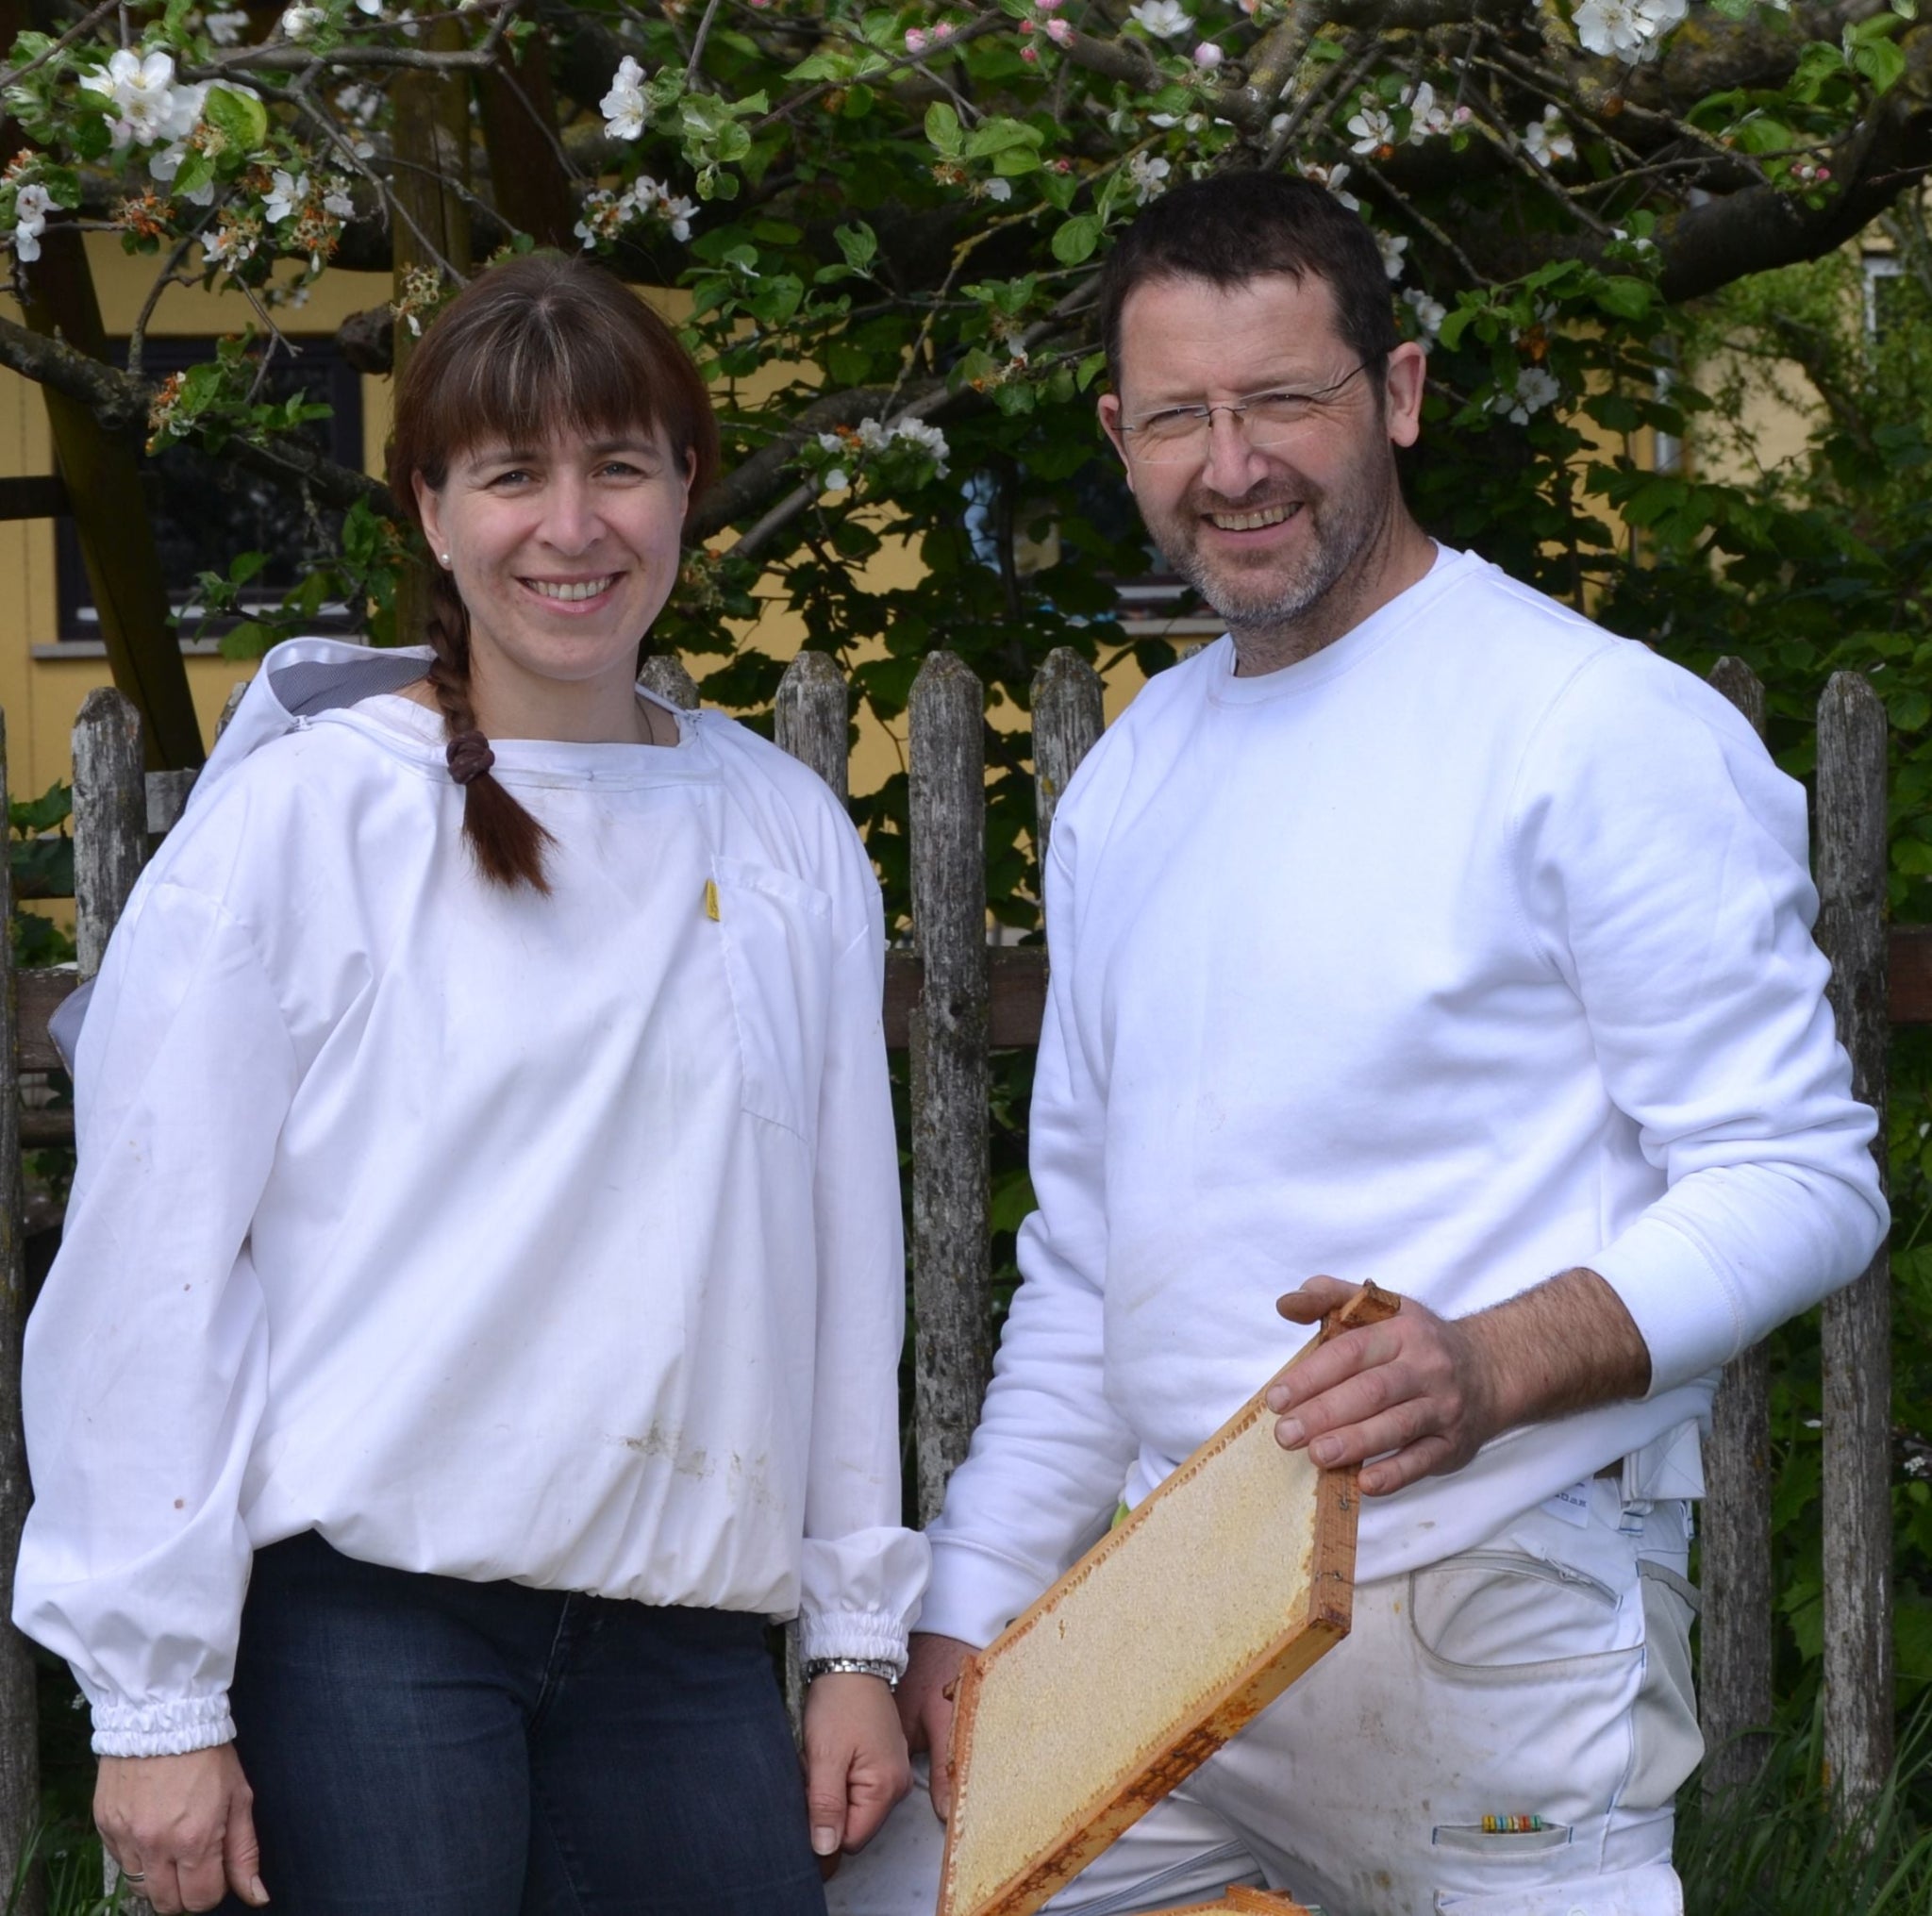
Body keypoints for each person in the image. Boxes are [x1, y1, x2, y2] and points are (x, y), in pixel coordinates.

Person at [827, 173, 1888, 1915]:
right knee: (888, 1901)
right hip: (1170, 1596)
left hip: (1495, 1604)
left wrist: (1488, 1364)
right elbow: (1086, 1266)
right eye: (1180, 416)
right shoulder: (1132, 781)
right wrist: (965, 1606)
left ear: (1395, 393)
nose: (1232, 464)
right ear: (1119, 433)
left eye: (1283, 401)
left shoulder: (1591, 729)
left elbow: (1801, 1177)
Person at [14, 253, 926, 1916]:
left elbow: (841, 1256)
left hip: (689, 1651)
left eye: (619, 467)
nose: (570, 526)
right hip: (371, 1641)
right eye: (514, 475)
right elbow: (152, 1266)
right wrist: (155, 1699)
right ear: (432, 511)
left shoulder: (786, 833)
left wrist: (856, 1632)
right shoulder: (308, 825)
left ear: (683, 493)